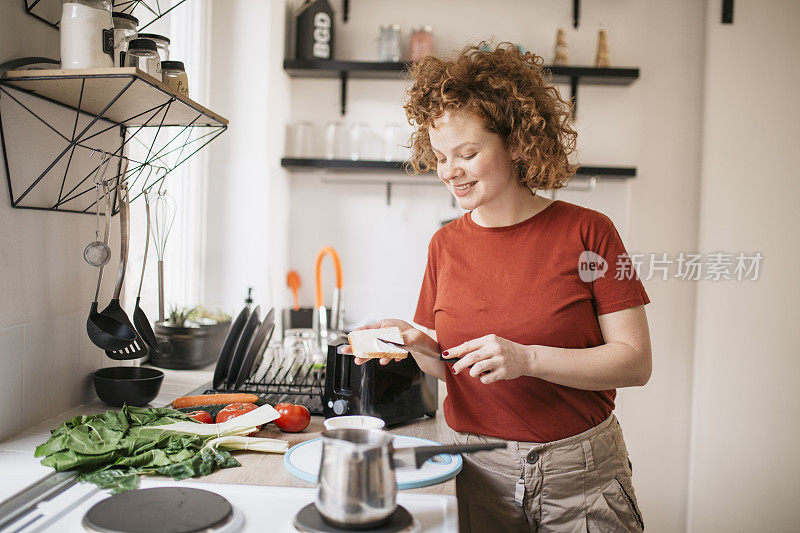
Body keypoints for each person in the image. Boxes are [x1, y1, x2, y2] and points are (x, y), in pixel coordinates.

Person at [344, 42, 651, 533]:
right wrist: (422, 346)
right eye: (441, 156)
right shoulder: (444, 245)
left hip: (582, 481)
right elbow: (454, 373)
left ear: (517, 143)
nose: (450, 171)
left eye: (467, 153)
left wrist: (528, 359)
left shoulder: (590, 232)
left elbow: (635, 363)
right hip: (473, 471)